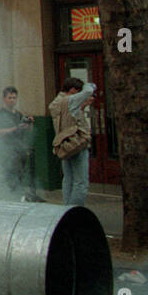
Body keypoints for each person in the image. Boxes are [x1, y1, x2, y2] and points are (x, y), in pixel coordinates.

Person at [48, 77, 96, 207]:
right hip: (76, 144)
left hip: (64, 144)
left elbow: (68, 117)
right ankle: (75, 210)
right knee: (81, 182)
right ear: (73, 90)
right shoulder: (70, 100)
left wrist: (82, 106)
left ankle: (66, 208)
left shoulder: (56, 102)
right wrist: (89, 85)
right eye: (78, 91)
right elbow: (87, 91)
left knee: (68, 179)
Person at [0, 85, 37, 200]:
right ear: (4, 98)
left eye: (14, 98)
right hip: (6, 151)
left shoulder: (18, 114)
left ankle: (17, 198)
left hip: (19, 151)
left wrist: (29, 124)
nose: (12, 100)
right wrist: (15, 128)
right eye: (10, 98)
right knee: (9, 178)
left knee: (20, 177)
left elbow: (27, 130)